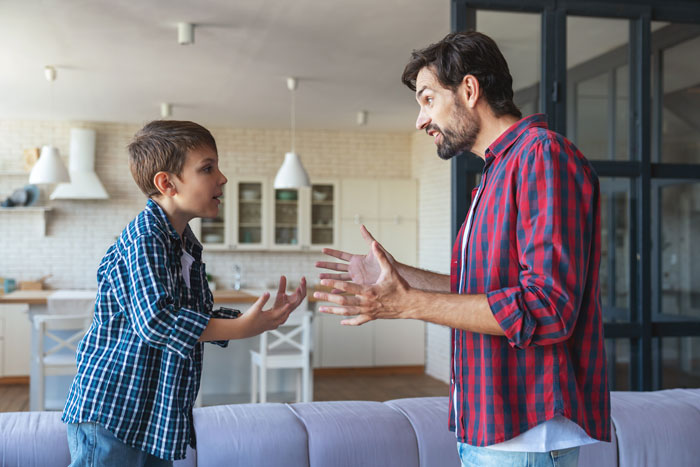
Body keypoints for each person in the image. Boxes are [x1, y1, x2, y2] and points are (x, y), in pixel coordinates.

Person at [315, 31, 609, 467]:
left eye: (428, 99)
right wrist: (399, 276)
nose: (420, 120)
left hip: (525, 436)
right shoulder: (496, 172)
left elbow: (546, 308)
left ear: (469, 90)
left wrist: (408, 305)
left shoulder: (541, 156)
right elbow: (485, 291)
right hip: (493, 429)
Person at [62, 120, 307, 466]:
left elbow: (190, 316)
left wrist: (256, 320)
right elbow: (157, 321)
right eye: (207, 168)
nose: (222, 178)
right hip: (114, 414)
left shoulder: (184, 243)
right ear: (167, 183)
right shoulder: (146, 237)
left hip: (153, 417)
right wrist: (242, 329)